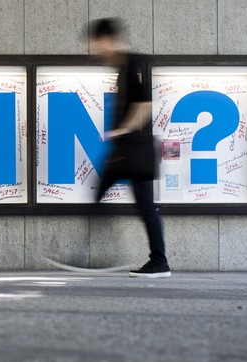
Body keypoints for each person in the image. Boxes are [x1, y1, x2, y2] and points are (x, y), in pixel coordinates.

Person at [90, 18, 171, 278]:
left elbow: (146, 105)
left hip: (132, 149)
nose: (95, 49)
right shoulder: (123, 67)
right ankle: (158, 260)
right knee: (144, 205)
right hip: (130, 150)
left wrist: (122, 129)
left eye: (96, 43)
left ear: (107, 40)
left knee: (104, 193)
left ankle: (100, 253)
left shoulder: (131, 64)